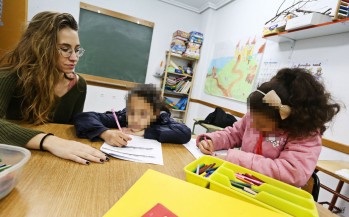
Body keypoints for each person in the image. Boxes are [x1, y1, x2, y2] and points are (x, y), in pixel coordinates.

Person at [196, 68, 340, 187]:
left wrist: (234, 157)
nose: (255, 126)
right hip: (241, 182)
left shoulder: (305, 134)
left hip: (272, 193)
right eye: (253, 119)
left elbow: (292, 173)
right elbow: (235, 133)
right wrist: (212, 140)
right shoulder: (258, 115)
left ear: (284, 120)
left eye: (262, 124)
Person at [0, 11, 108, 165]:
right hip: (17, 158)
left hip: (55, 162)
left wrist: (102, 131)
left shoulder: (78, 85)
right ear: (40, 46)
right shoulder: (8, 77)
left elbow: (73, 127)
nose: (74, 58)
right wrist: (49, 141)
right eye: (65, 49)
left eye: (77, 50)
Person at [74, 84, 192, 145]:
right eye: (132, 112)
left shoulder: (161, 119)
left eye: (142, 114)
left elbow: (185, 133)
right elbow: (84, 117)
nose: (134, 119)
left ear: (154, 114)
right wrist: (105, 133)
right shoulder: (123, 118)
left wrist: (145, 132)